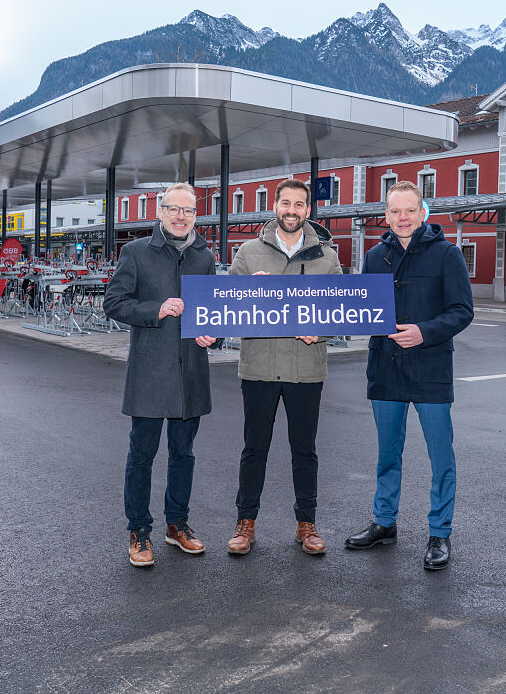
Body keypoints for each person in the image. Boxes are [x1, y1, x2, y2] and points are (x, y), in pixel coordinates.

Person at [345, 181, 473, 570]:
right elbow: (361, 309)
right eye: (395, 211)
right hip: (386, 368)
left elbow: (462, 310)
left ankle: (440, 533)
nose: (403, 217)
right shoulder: (374, 256)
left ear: (422, 212)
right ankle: (384, 523)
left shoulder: (448, 254)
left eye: (410, 210)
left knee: (440, 456)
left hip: (430, 368)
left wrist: (424, 332)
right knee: (387, 454)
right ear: (386, 216)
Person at [103, 183, 218, 568]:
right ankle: (139, 529)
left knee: (183, 454)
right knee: (142, 455)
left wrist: (213, 335)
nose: (181, 217)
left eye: (188, 210)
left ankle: (177, 524)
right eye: (174, 209)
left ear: (196, 215)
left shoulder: (205, 256)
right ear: (161, 211)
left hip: (191, 373)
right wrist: (155, 309)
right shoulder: (136, 252)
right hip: (150, 372)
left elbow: (213, 311)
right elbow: (114, 303)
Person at [225, 178, 342, 556]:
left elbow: (341, 310)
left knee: (304, 450)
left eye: (299, 204)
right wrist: (248, 293)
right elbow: (226, 306)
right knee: (254, 448)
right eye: (286, 203)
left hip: (306, 368)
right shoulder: (247, 252)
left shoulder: (327, 257)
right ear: (275, 206)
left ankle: (306, 523)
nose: (292, 210)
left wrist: (321, 330)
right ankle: (245, 522)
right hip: (259, 365)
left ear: (308, 209)